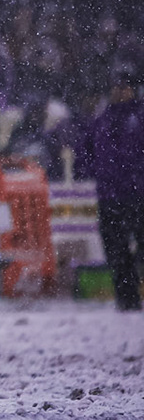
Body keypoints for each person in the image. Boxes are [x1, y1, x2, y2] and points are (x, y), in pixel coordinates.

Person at [84, 61, 144, 311]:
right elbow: (87, 151)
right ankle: (125, 298)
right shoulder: (103, 118)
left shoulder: (138, 117)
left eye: (125, 86)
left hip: (137, 194)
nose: (119, 91)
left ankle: (134, 291)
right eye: (116, 86)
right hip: (110, 195)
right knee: (115, 248)